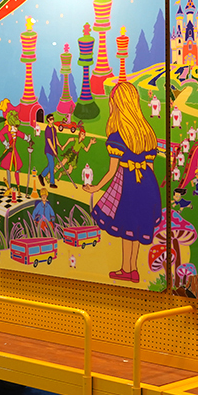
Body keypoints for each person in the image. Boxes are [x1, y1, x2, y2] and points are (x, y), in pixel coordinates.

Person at [83, 82, 161, 283]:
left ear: (118, 104)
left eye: (112, 102)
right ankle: (133, 268)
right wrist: (153, 193)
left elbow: (111, 171)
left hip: (129, 185)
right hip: (147, 184)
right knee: (137, 227)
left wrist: (95, 187)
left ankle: (127, 268)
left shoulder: (117, 137)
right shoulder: (146, 133)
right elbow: (151, 168)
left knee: (128, 229)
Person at [38, 113, 59, 189]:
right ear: (48, 120)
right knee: (52, 165)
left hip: (54, 150)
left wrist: (59, 145)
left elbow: (55, 138)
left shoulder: (54, 128)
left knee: (50, 165)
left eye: (53, 119)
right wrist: (54, 150)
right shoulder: (47, 129)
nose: (52, 120)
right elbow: (49, 141)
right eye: (51, 119)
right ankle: (52, 183)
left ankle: (42, 175)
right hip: (49, 150)